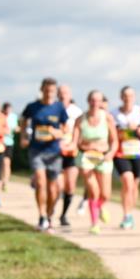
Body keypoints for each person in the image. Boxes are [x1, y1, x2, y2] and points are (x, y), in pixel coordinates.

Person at [20, 78, 69, 233]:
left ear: (55, 92)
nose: (49, 94)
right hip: (36, 150)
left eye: (52, 91)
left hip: (54, 151)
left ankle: (49, 216)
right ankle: (41, 216)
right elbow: (23, 120)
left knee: (54, 189)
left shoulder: (59, 108)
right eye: (47, 90)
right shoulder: (32, 107)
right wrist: (23, 136)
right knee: (41, 183)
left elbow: (65, 128)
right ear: (42, 90)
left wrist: (57, 133)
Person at [73, 90, 118, 234]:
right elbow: (75, 142)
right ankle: (94, 224)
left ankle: (101, 206)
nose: (95, 103)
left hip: (103, 157)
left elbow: (114, 141)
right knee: (94, 191)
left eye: (98, 100)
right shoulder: (80, 120)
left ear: (101, 102)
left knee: (106, 194)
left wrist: (111, 153)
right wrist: (76, 147)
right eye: (92, 100)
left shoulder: (108, 118)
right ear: (88, 101)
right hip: (86, 158)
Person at [112, 86, 140, 230]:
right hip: (121, 153)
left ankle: (131, 212)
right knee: (127, 182)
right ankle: (126, 215)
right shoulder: (114, 114)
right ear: (121, 97)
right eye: (125, 96)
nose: (128, 98)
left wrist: (137, 129)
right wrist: (119, 132)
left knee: (134, 185)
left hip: (137, 152)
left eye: (131, 96)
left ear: (134, 97)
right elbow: (111, 133)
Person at [57, 85, 84, 226]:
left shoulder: (77, 111)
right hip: (55, 152)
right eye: (60, 93)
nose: (63, 96)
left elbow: (82, 130)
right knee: (58, 185)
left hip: (72, 152)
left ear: (70, 94)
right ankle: (49, 212)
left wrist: (76, 143)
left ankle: (63, 215)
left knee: (70, 186)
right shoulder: (53, 109)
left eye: (65, 93)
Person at [1, 102, 19, 192]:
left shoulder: (14, 117)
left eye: (9, 110)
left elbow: (17, 128)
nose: (8, 111)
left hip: (9, 142)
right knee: (0, 164)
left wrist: (16, 129)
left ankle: (5, 182)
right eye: (6, 110)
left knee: (6, 163)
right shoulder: (0, 116)